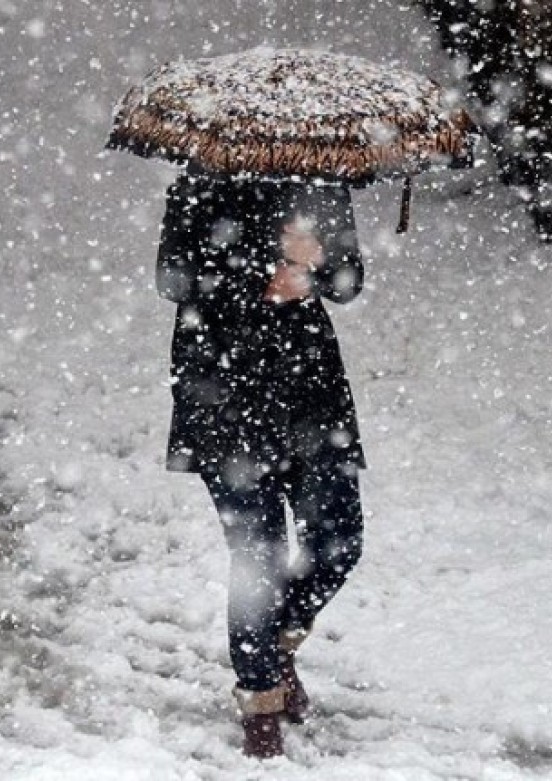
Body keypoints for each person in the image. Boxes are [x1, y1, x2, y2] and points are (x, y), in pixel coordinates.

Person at [156, 168, 366, 758]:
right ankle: (260, 703)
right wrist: (265, 270)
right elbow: (173, 280)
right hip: (223, 392)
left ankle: (274, 645)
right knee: (259, 557)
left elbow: (348, 282)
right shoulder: (198, 185)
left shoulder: (320, 180)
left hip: (310, 395)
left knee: (339, 540)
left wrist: (316, 265)